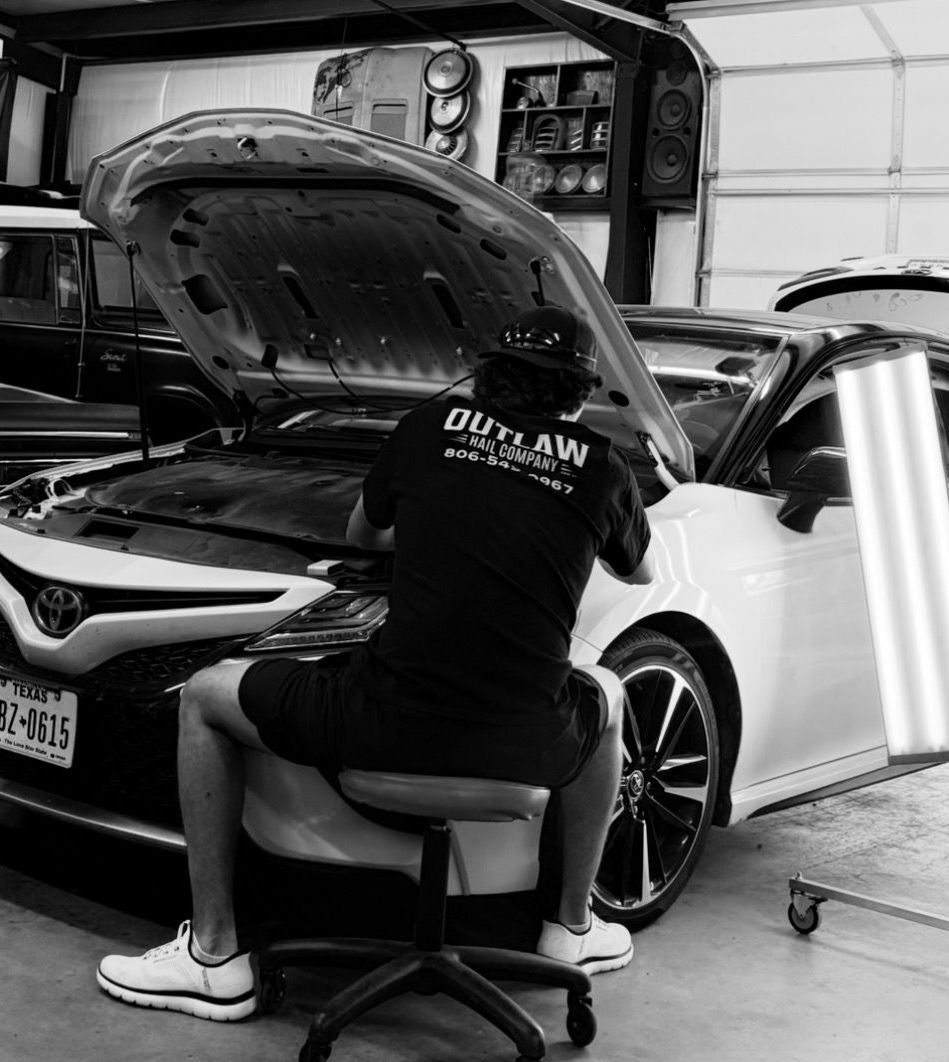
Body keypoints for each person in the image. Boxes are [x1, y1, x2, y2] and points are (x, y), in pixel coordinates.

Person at [96, 304, 655, 1022]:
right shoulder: (602, 466)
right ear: (580, 392)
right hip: (526, 741)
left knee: (204, 693)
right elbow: (639, 574)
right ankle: (569, 929)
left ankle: (214, 957)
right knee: (605, 691)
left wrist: (440, 529)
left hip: (381, 723)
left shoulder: (426, 429)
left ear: (486, 376)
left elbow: (365, 531)